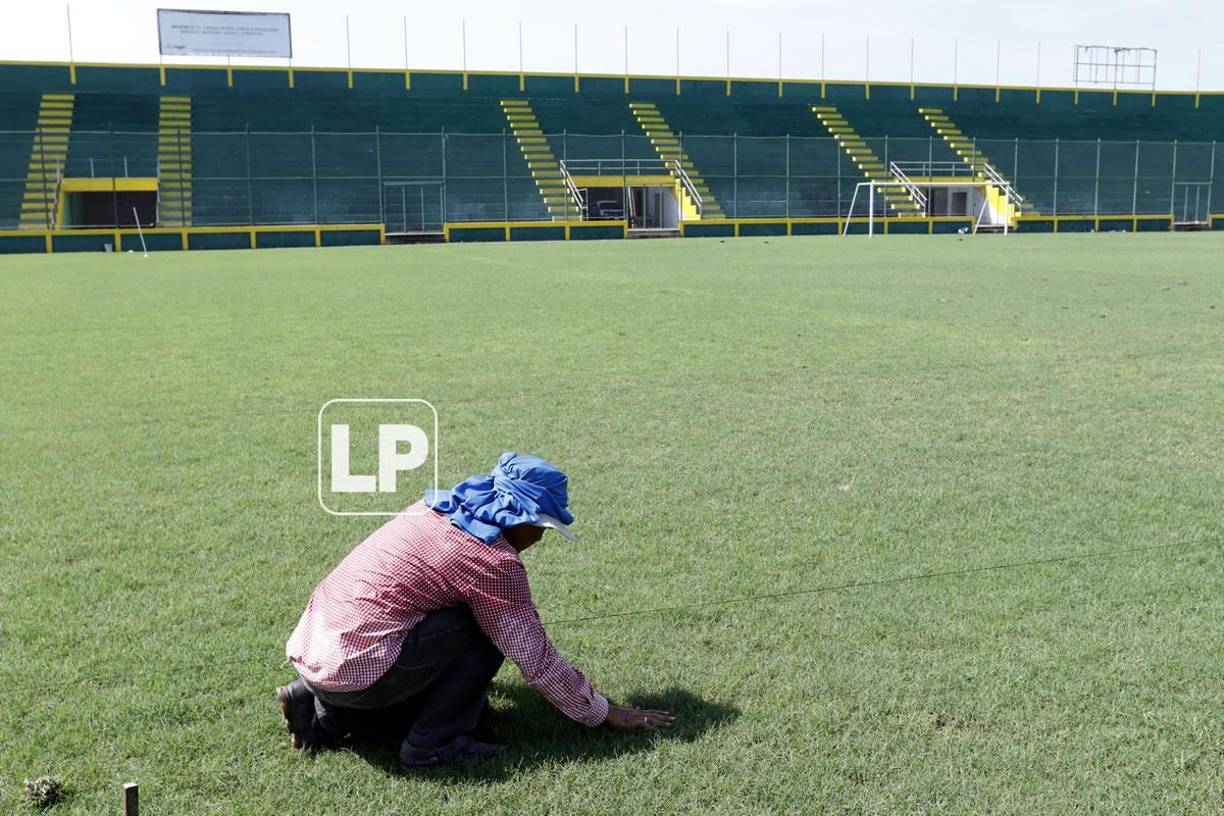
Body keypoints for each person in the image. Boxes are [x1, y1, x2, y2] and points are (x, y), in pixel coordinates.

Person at [278, 452, 673, 768]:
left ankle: (323, 711)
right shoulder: (491, 562)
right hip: (361, 670)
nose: (538, 537)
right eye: (540, 526)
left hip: (318, 653)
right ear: (519, 517)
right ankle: (433, 745)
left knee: (455, 624)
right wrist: (604, 712)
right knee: (490, 630)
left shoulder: (434, 509)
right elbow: (535, 658)